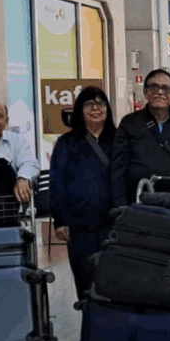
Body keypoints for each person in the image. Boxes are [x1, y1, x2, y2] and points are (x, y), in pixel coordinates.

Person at [48, 86, 116, 300]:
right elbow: (57, 182)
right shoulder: (67, 142)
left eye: (101, 103)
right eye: (89, 103)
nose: (96, 108)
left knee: (113, 280)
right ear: (80, 109)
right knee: (85, 280)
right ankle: (89, 327)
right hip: (79, 226)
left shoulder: (119, 140)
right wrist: (60, 220)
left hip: (113, 223)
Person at [111, 69, 170, 207]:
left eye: (166, 89)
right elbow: (118, 167)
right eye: (154, 87)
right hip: (138, 202)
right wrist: (120, 204)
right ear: (145, 92)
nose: (160, 92)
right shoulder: (129, 123)